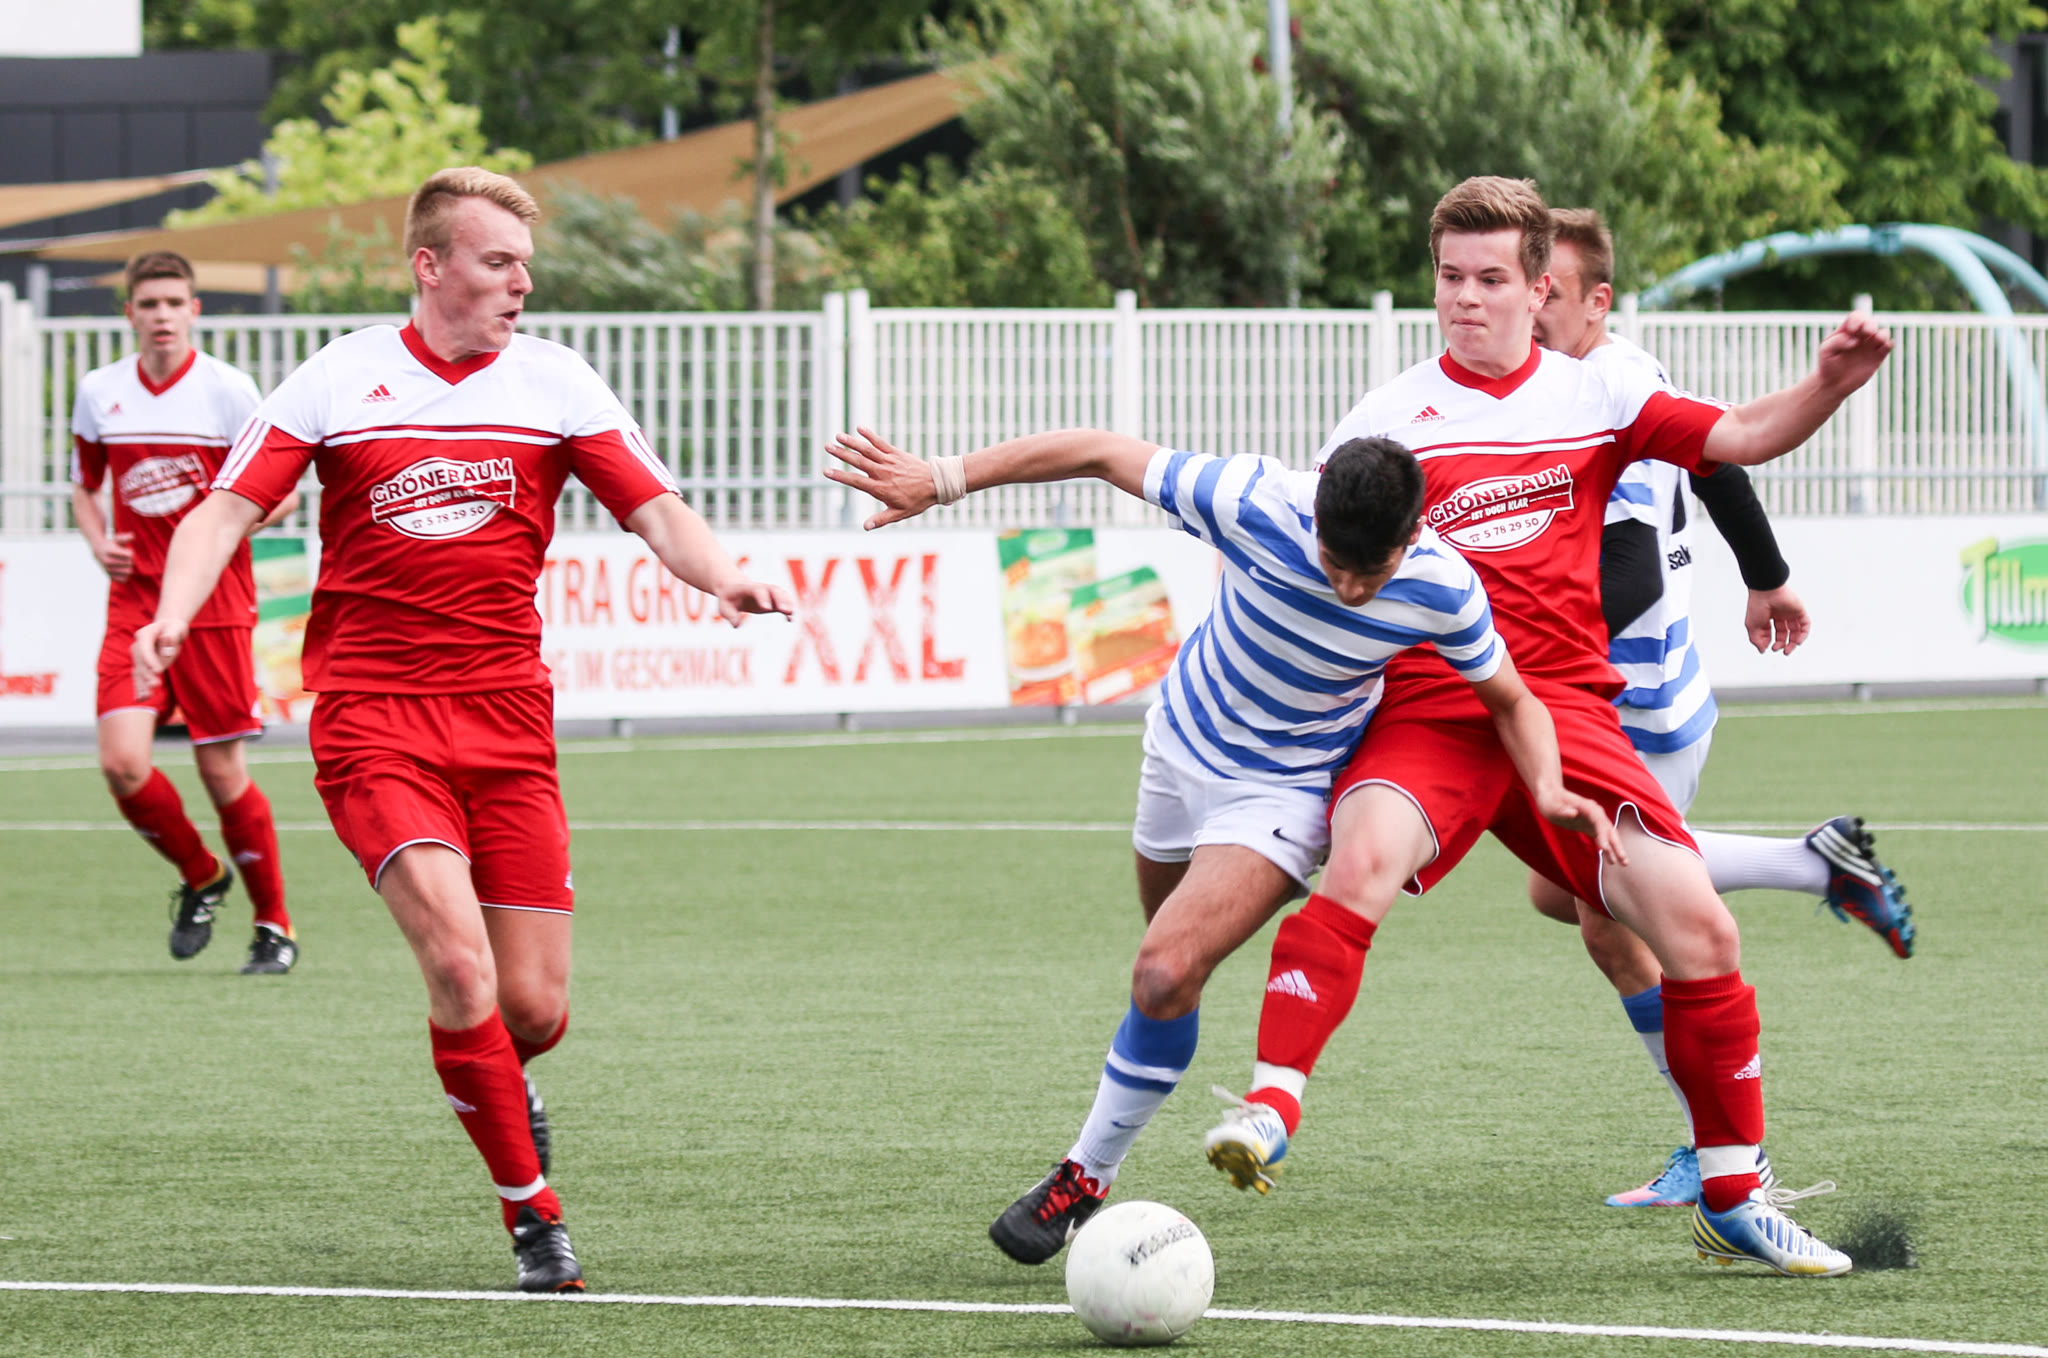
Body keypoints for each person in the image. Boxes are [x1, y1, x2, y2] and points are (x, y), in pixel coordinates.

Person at [1208, 176, 1893, 1278]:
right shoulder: (1386, 418)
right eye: (1449, 277)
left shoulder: (1599, 393)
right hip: (1433, 705)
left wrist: (1827, 384)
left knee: (1701, 934)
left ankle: (1731, 1193)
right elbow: (1314, 545)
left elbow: (1739, 437)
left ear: (1540, 289)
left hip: (1566, 713)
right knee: (1362, 860)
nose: (1464, 299)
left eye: (1490, 279)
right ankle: (1268, 1108)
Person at [134, 168, 794, 1293]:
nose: (521, 284)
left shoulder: (556, 381)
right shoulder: (340, 376)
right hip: (374, 720)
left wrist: (724, 573)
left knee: (530, 1007)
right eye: (498, 263)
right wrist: (173, 612)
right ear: (430, 265)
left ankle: (487, 1072)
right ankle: (534, 1217)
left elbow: (657, 511)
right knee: (455, 959)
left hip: (508, 723)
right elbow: (225, 509)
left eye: (525, 265)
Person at [822, 423, 1622, 1267]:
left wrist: (1546, 786)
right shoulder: (1253, 501)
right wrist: (943, 477)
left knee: (1164, 970)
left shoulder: (1443, 585)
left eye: (1372, 571)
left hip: (1281, 791)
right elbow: (1100, 451)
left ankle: (1084, 1174)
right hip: (1177, 748)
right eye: (1334, 562)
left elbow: (1512, 699)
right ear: (1315, 518)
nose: (1351, 588)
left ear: (1411, 536)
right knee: (1166, 979)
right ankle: (1147, 1069)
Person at [1527, 209, 1916, 1210]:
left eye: (1547, 291)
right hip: (1630, 696)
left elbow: (1623, 566)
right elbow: (1714, 461)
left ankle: (1722, 1150)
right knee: (1563, 891)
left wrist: (1504, 628)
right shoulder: (1589, 379)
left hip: (1629, 702)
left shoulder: (1598, 391)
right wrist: (1766, 574)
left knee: (1614, 915)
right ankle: (1812, 866)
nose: (1529, 307)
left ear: (1596, 301)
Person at [72, 250, 301, 973]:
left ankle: (274, 925)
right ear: (129, 314)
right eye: (149, 304)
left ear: (195, 310)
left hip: (216, 606)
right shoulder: (99, 391)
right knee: (122, 764)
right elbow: (84, 486)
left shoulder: (229, 391)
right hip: (134, 604)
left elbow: (282, 493)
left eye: (175, 302)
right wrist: (97, 540)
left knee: (221, 774)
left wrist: (221, 533)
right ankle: (202, 874)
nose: (162, 315)